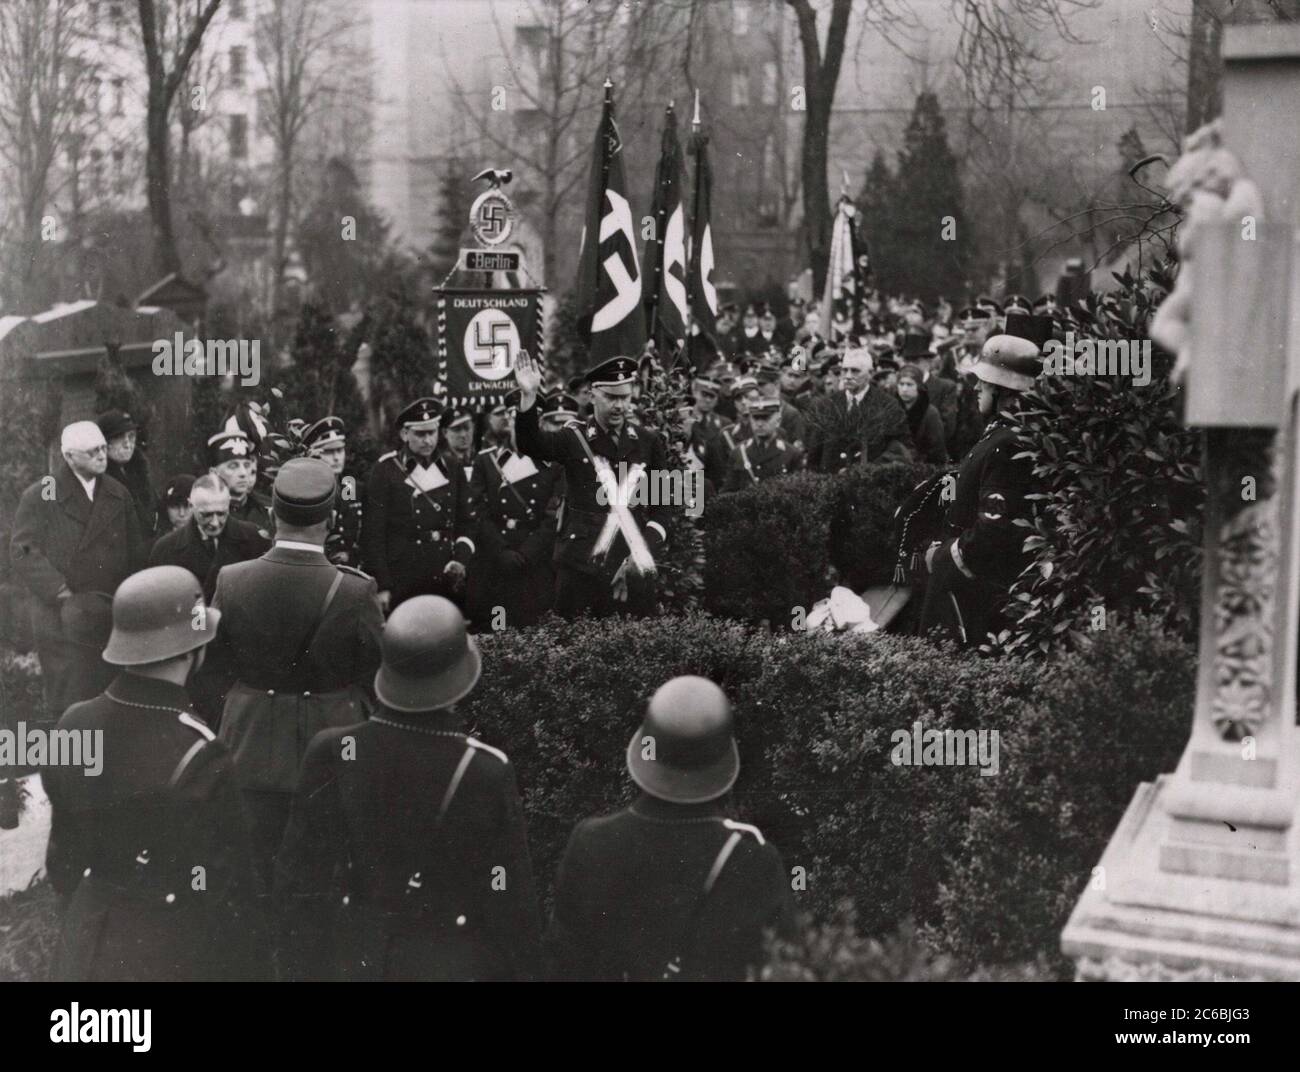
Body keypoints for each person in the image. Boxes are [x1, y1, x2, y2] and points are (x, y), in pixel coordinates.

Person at [275, 596, 541, 981]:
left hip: (354, 957)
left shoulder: (333, 749)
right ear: (461, 677)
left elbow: (299, 879)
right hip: (450, 961)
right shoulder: (485, 769)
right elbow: (505, 889)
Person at [41, 565, 267, 981]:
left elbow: (62, 858)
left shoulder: (72, 723)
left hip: (85, 937)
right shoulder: (202, 751)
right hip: (168, 947)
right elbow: (222, 884)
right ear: (192, 650)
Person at [546, 675, 796, 981]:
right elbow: (782, 965)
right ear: (723, 762)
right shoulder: (753, 859)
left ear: (645, 751)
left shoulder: (591, 842)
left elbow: (565, 964)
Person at [211, 458, 383, 882]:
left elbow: (209, 663)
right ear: (330, 520)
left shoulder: (231, 579)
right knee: (323, 877)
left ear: (271, 516)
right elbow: (379, 674)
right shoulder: (356, 590)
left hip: (248, 744)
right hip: (331, 750)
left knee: (253, 873)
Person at [919, 315, 1050, 647]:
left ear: (1005, 390)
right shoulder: (1001, 433)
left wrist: (947, 556)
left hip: (977, 591)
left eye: (985, 383)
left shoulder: (1009, 443)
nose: (977, 388)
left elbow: (994, 530)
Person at [514, 353, 674, 619]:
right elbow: (531, 444)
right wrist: (529, 397)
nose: (619, 406)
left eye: (624, 397)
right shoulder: (573, 438)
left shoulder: (648, 441)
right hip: (580, 569)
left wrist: (642, 552)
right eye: (611, 397)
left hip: (630, 566)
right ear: (592, 396)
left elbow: (664, 507)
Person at [11, 420, 146, 715]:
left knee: (109, 696)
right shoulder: (44, 493)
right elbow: (22, 550)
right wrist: (59, 590)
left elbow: (136, 551)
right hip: (61, 616)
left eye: (102, 448)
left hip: (109, 609)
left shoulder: (117, 492)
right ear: (69, 457)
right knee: (70, 699)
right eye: (92, 451)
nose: (102, 455)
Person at [362, 397, 477, 614]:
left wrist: (460, 560)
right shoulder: (386, 471)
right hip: (402, 579)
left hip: (444, 576)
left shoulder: (452, 467)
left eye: (431, 433)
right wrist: (383, 585)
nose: (428, 441)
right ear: (405, 434)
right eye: (420, 434)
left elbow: (467, 522)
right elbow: (373, 534)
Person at [467, 391, 562, 630]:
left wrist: (528, 553)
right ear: (507, 420)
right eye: (515, 416)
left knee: (535, 630)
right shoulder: (486, 461)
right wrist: (501, 551)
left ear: (539, 422)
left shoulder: (554, 464)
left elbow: (555, 514)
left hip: (535, 561)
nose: (521, 423)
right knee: (498, 627)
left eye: (529, 417)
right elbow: (477, 510)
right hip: (496, 560)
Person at [149, 475, 271, 601]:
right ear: (192, 506)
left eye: (221, 513)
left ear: (228, 503)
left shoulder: (254, 539)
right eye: (206, 515)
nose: (215, 523)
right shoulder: (165, 549)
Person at [804, 348, 913, 473]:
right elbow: (814, 455)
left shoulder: (887, 406)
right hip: (830, 485)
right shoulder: (826, 405)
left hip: (869, 485)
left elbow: (903, 451)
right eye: (844, 370)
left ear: (870, 373)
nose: (848, 376)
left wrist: (870, 471)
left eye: (855, 371)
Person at [302, 416, 364, 568]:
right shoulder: (309, 491)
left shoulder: (349, 484)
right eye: (329, 452)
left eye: (340, 450)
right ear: (315, 455)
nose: (337, 457)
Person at [722, 397, 804, 492]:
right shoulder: (739, 452)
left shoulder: (791, 454)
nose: (759, 424)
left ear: (778, 421)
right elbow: (728, 493)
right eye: (755, 418)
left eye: (765, 418)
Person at [97, 409, 156, 536]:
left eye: (131, 436)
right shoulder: (98, 479)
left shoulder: (140, 471)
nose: (128, 444)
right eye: (119, 437)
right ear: (104, 443)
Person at [208, 429, 274, 532]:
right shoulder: (206, 511)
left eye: (247, 465)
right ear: (214, 473)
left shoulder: (268, 508)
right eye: (233, 466)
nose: (243, 473)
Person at [896, 364, 949, 464]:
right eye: (901, 384)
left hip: (925, 467)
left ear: (918, 386)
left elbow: (937, 451)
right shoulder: (893, 410)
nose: (904, 389)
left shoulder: (930, 413)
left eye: (909, 384)